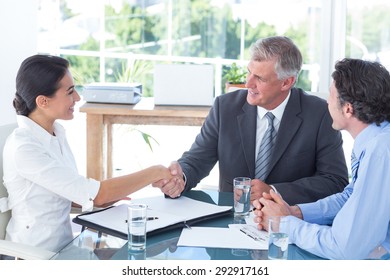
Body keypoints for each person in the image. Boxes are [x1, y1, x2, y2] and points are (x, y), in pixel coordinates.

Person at [0, 54, 178, 252]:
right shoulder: (24, 148)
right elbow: (97, 195)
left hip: (65, 248)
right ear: (43, 101)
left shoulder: (55, 133)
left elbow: (72, 194)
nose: (77, 98)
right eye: (70, 92)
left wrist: (112, 196)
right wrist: (156, 172)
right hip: (36, 256)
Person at [154, 36, 348, 205]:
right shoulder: (225, 107)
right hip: (231, 220)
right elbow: (197, 160)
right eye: (249, 72)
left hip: (288, 222)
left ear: (287, 82)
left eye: (260, 79)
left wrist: (273, 191)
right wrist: (181, 177)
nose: (248, 84)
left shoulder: (320, 114)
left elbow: (335, 180)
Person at [253, 58, 390, 260]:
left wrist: (284, 224)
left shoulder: (380, 152)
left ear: (348, 108)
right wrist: (295, 212)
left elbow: (345, 248)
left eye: (331, 95)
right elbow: (350, 197)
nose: (327, 101)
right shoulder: (375, 139)